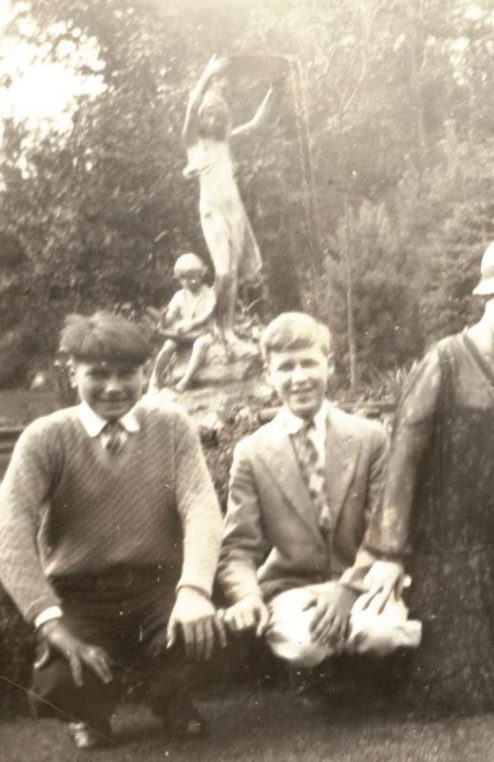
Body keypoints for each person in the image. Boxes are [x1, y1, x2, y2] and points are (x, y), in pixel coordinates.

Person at [349, 231, 494, 714]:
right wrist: (391, 553)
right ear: (487, 294)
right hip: (449, 550)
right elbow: (403, 461)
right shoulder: (444, 362)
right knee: (453, 689)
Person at [0, 312, 224, 749]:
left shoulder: (172, 426)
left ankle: (170, 698)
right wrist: (51, 621)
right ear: (72, 372)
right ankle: (90, 714)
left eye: (128, 374)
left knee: (211, 638)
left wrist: (194, 590)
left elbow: (200, 506)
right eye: (98, 374)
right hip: (80, 593)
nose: (114, 387)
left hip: (157, 588)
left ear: (144, 373)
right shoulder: (45, 437)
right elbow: (9, 527)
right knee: (58, 681)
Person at [217, 313, 418, 697]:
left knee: (382, 633)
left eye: (309, 362)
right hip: (293, 587)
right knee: (304, 642)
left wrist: (348, 589)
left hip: (360, 579)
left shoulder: (368, 437)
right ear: (268, 375)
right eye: (285, 367)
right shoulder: (252, 452)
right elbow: (238, 548)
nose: (299, 377)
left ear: (330, 364)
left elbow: (385, 525)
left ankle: (367, 669)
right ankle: (320, 672)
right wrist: (247, 597)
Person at [182, 55, 274, 345]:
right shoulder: (193, 143)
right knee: (222, 271)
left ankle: (227, 330)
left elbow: (259, 122)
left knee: (232, 273)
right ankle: (212, 325)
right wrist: (208, 73)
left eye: (219, 115)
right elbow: (191, 105)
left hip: (234, 210)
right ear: (201, 120)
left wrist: (277, 88)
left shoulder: (225, 142)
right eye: (209, 114)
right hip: (213, 211)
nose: (214, 119)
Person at [149, 253, 217, 393]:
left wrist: (191, 324)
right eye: (184, 279)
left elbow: (206, 315)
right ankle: (155, 381)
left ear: (201, 275)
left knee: (200, 344)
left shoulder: (209, 293)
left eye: (193, 278)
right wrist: (163, 319)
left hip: (203, 332)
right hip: (183, 335)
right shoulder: (179, 296)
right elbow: (170, 318)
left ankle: (185, 381)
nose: (189, 282)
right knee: (168, 346)